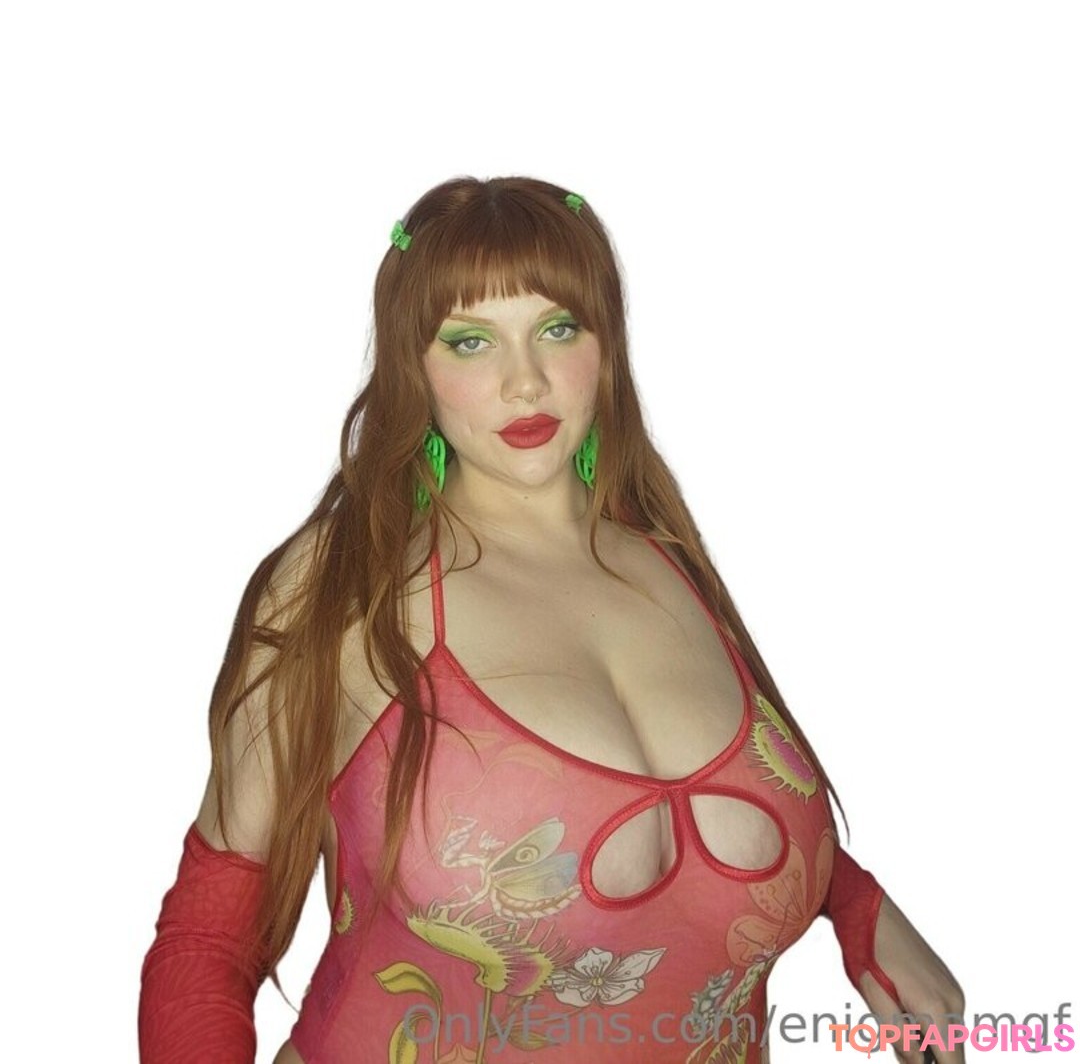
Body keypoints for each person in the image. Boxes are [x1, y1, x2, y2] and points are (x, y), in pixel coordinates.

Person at [139, 176, 964, 1064]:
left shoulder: (669, 561)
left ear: (607, 343)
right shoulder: (341, 587)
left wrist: (857, 906)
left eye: (558, 328)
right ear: (413, 364)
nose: (524, 380)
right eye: (471, 340)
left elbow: (707, 835)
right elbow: (206, 942)